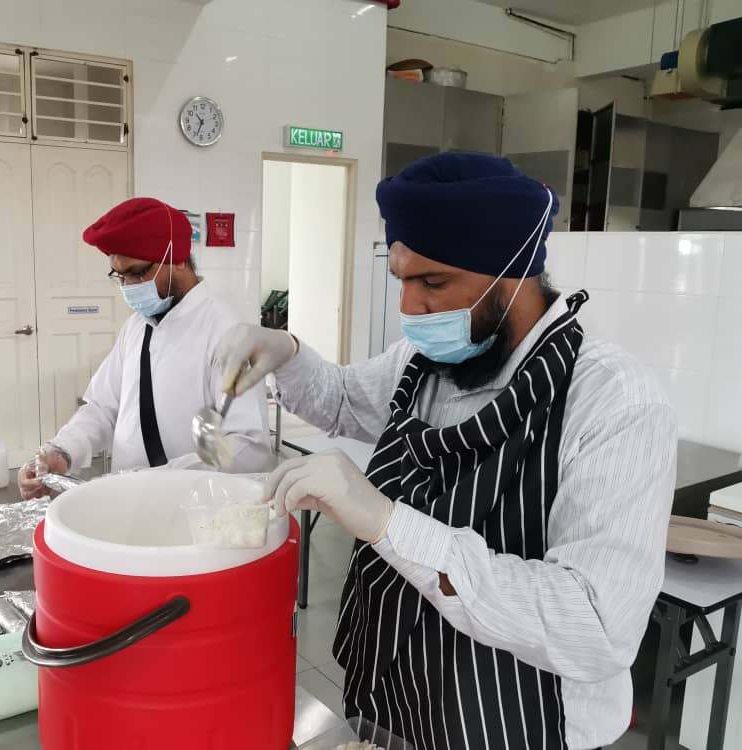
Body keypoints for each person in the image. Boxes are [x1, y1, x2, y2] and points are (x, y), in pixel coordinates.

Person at [218, 153, 677, 750]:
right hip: (395, 699)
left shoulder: (614, 401)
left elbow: (596, 626)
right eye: (402, 280)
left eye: (432, 283)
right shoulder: (426, 361)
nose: (408, 308)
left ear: (514, 273)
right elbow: (344, 399)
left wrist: (390, 524)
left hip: (513, 721)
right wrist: (287, 351)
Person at [19, 197, 272, 499]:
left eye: (137, 273)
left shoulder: (225, 331)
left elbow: (248, 447)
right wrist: (62, 451)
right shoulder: (137, 326)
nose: (129, 286)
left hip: (196, 503)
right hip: (130, 500)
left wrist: (159, 479)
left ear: (178, 259)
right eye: (120, 276)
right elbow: (103, 407)